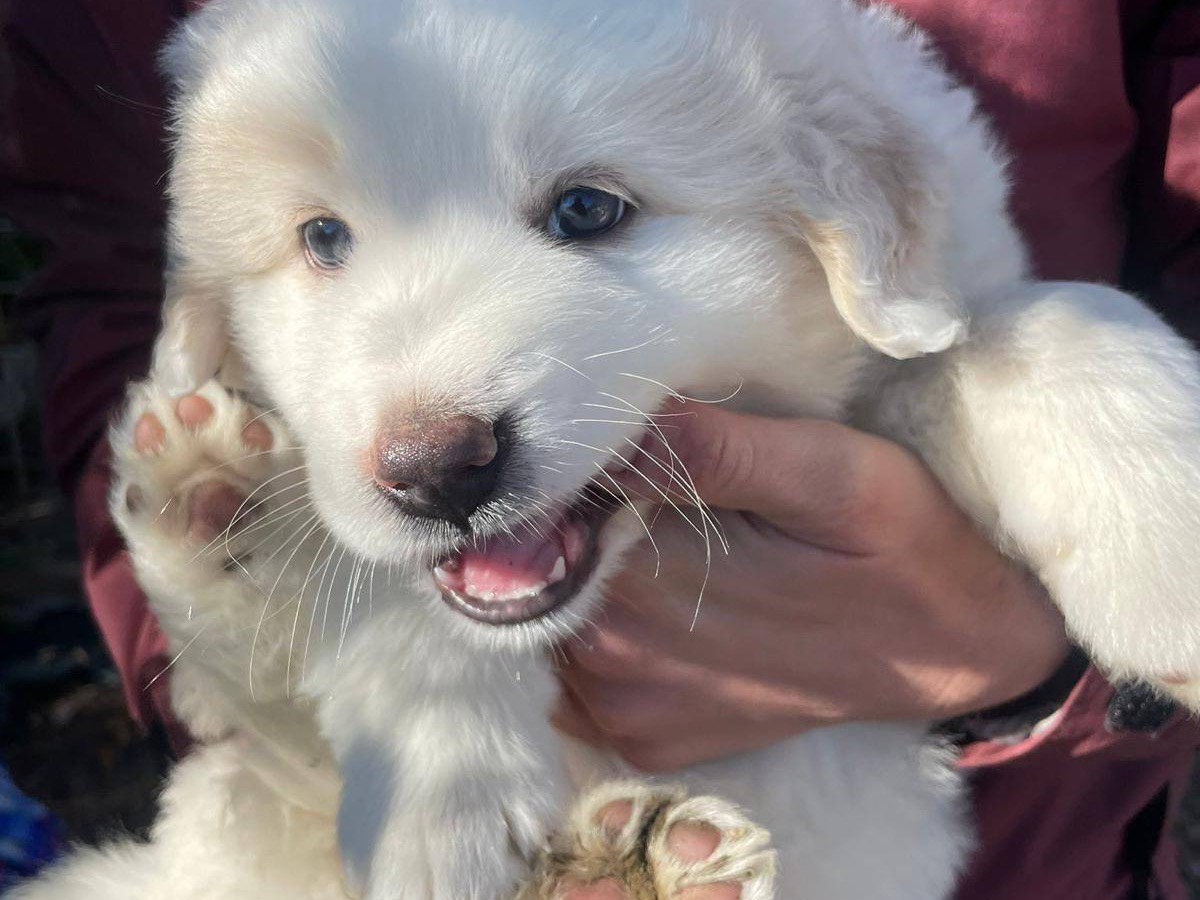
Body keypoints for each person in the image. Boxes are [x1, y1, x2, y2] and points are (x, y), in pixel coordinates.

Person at [2, 1, 1198, 897]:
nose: (429, 431)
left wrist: (1030, 653)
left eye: (588, 211)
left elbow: (934, 355)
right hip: (304, 824)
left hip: (1024, 849)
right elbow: (128, 302)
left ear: (845, 207)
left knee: (1045, 356)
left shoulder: (779, 74)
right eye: (324, 238)